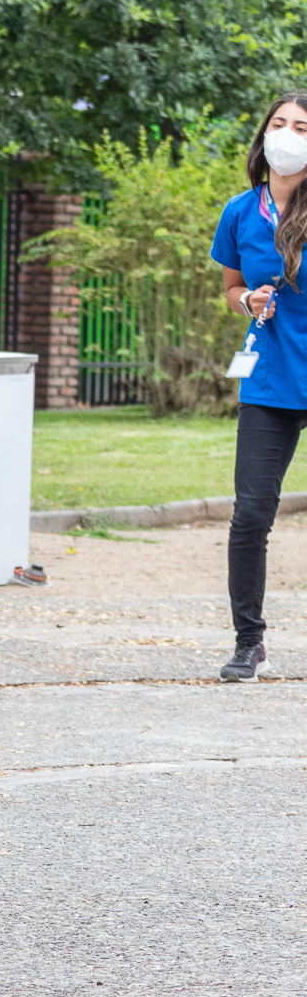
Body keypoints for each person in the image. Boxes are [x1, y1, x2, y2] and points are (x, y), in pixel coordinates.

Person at [211, 90, 307, 682]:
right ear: (264, 136)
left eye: (303, 125)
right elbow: (229, 289)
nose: (290, 134)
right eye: (281, 123)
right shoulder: (240, 212)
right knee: (250, 515)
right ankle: (249, 643)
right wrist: (247, 298)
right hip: (270, 380)